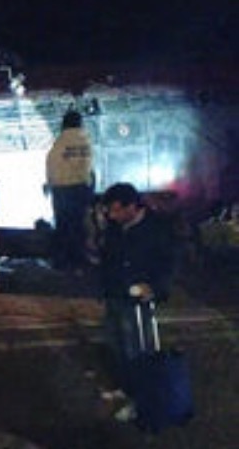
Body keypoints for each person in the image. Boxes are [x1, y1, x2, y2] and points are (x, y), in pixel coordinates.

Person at [97, 182, 178, 420]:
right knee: (117, 346)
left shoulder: (156, 228)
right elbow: (107, 258)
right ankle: (125, 387)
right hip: (115, 294)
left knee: (139, 351)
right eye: (109, 211)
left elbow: (169, 263)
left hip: (138, 298)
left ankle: (143, 401)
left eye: (116, 210)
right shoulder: (114, 227)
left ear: (131, 206)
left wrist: (154, 288)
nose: (112, 215)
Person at [45, 109, 96, 271]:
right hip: (81, 189)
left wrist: (50, 185)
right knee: (80, 226)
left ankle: (62, 262)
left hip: (62, 191)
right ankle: (79, 260)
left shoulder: (60, 143)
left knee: (63, 227)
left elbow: (52, 165)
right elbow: (89, 168)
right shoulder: (86, 141)